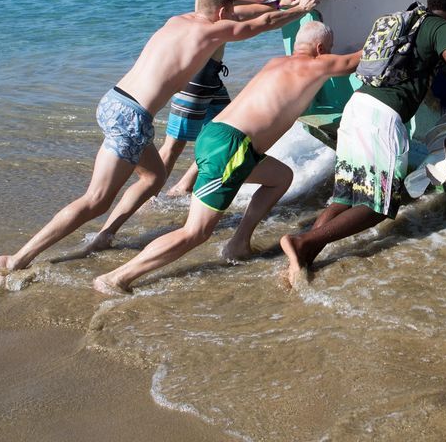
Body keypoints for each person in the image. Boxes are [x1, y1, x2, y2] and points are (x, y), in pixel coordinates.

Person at [0, 0, 321, 288]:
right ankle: (18, 258)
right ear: (221, 14)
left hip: (114, 101)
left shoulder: (177, 20)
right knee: (96, 200)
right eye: (229, 14)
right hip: (131, 116)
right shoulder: (209, 33)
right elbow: (257, 25)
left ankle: (105, 236)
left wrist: (278, 2)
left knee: (154, 177)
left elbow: (245, 14)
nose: (232, 18)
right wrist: (299, 9)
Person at [280, 0, 446, 286]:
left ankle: (304, 255)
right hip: (382, 119)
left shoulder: (405, 19)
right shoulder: (440, 27)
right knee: (380, 207)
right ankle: (301, 243)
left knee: (346, 195)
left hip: (357, 107)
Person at [86, 0, 315, 251]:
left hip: (211, 78)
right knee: (173, 147)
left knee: (222, 132)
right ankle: (137, 209)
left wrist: (278, 4)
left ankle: (181, 187)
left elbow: (246, 10)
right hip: (197, 78)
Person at [92, 21, 361, 294]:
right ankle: (118, 277)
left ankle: (239, 244)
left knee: (280, 178)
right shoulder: (313, 64)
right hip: (232, 148)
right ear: (320, 48)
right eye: (329, 50)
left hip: (219, 136)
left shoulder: (277, 63)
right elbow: (353, 61)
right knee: (195, 232)